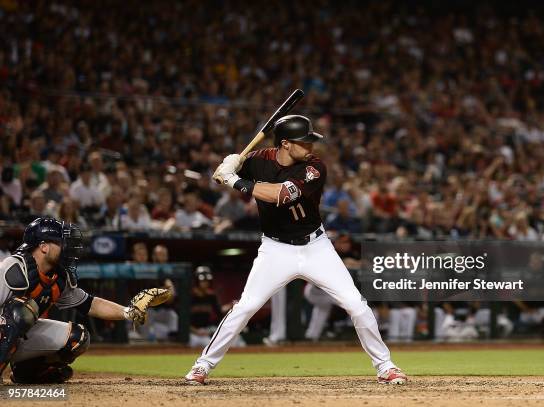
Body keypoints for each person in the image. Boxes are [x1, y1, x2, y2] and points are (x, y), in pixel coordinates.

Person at [185, 115, 407, 385]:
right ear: (286, 143)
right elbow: (220, 177)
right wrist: (228, 165)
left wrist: (235, 181)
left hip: (316, 247)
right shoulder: (257, 160)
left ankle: (386, 366)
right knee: (245, 307)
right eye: (305, 142)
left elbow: (280, 195)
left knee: (356, 306)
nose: (311, 147)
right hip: (275, 249)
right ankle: (202, 366)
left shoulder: (314, 167)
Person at [0, 217, 170, 384]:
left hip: (19, 337)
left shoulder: (58, 277)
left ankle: (27, 373)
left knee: (77, 338)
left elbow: (90, 304)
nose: (66, 248)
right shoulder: (13, 268)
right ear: (43, 247)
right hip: (5, 330)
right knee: (20, 313)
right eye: (60, 242)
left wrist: (129, 312)